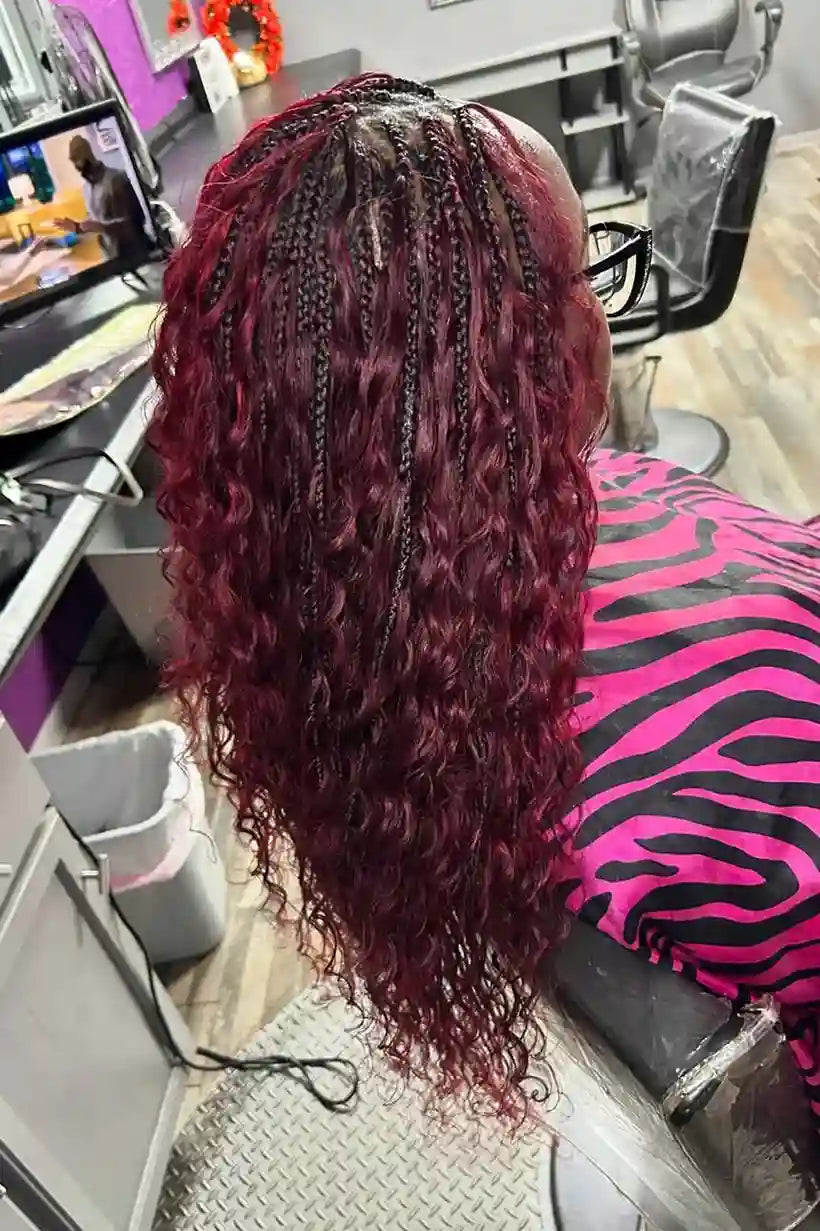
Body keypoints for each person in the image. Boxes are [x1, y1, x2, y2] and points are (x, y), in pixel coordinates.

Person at [150, 74, 820, 1127]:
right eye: (587, 273)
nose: (603, 306)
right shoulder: (761, 692)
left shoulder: (326, 635)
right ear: (569, 359)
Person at [54, 134, 148, 262]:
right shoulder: (87, 189)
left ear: (87, 154)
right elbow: (93, 223)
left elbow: (136, 220)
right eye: (73, 161)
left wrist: (102, 227)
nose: (76, 166)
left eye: (77, 159)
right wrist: (77, 227)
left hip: (136, 253)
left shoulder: (116, 179)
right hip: (110, 257)